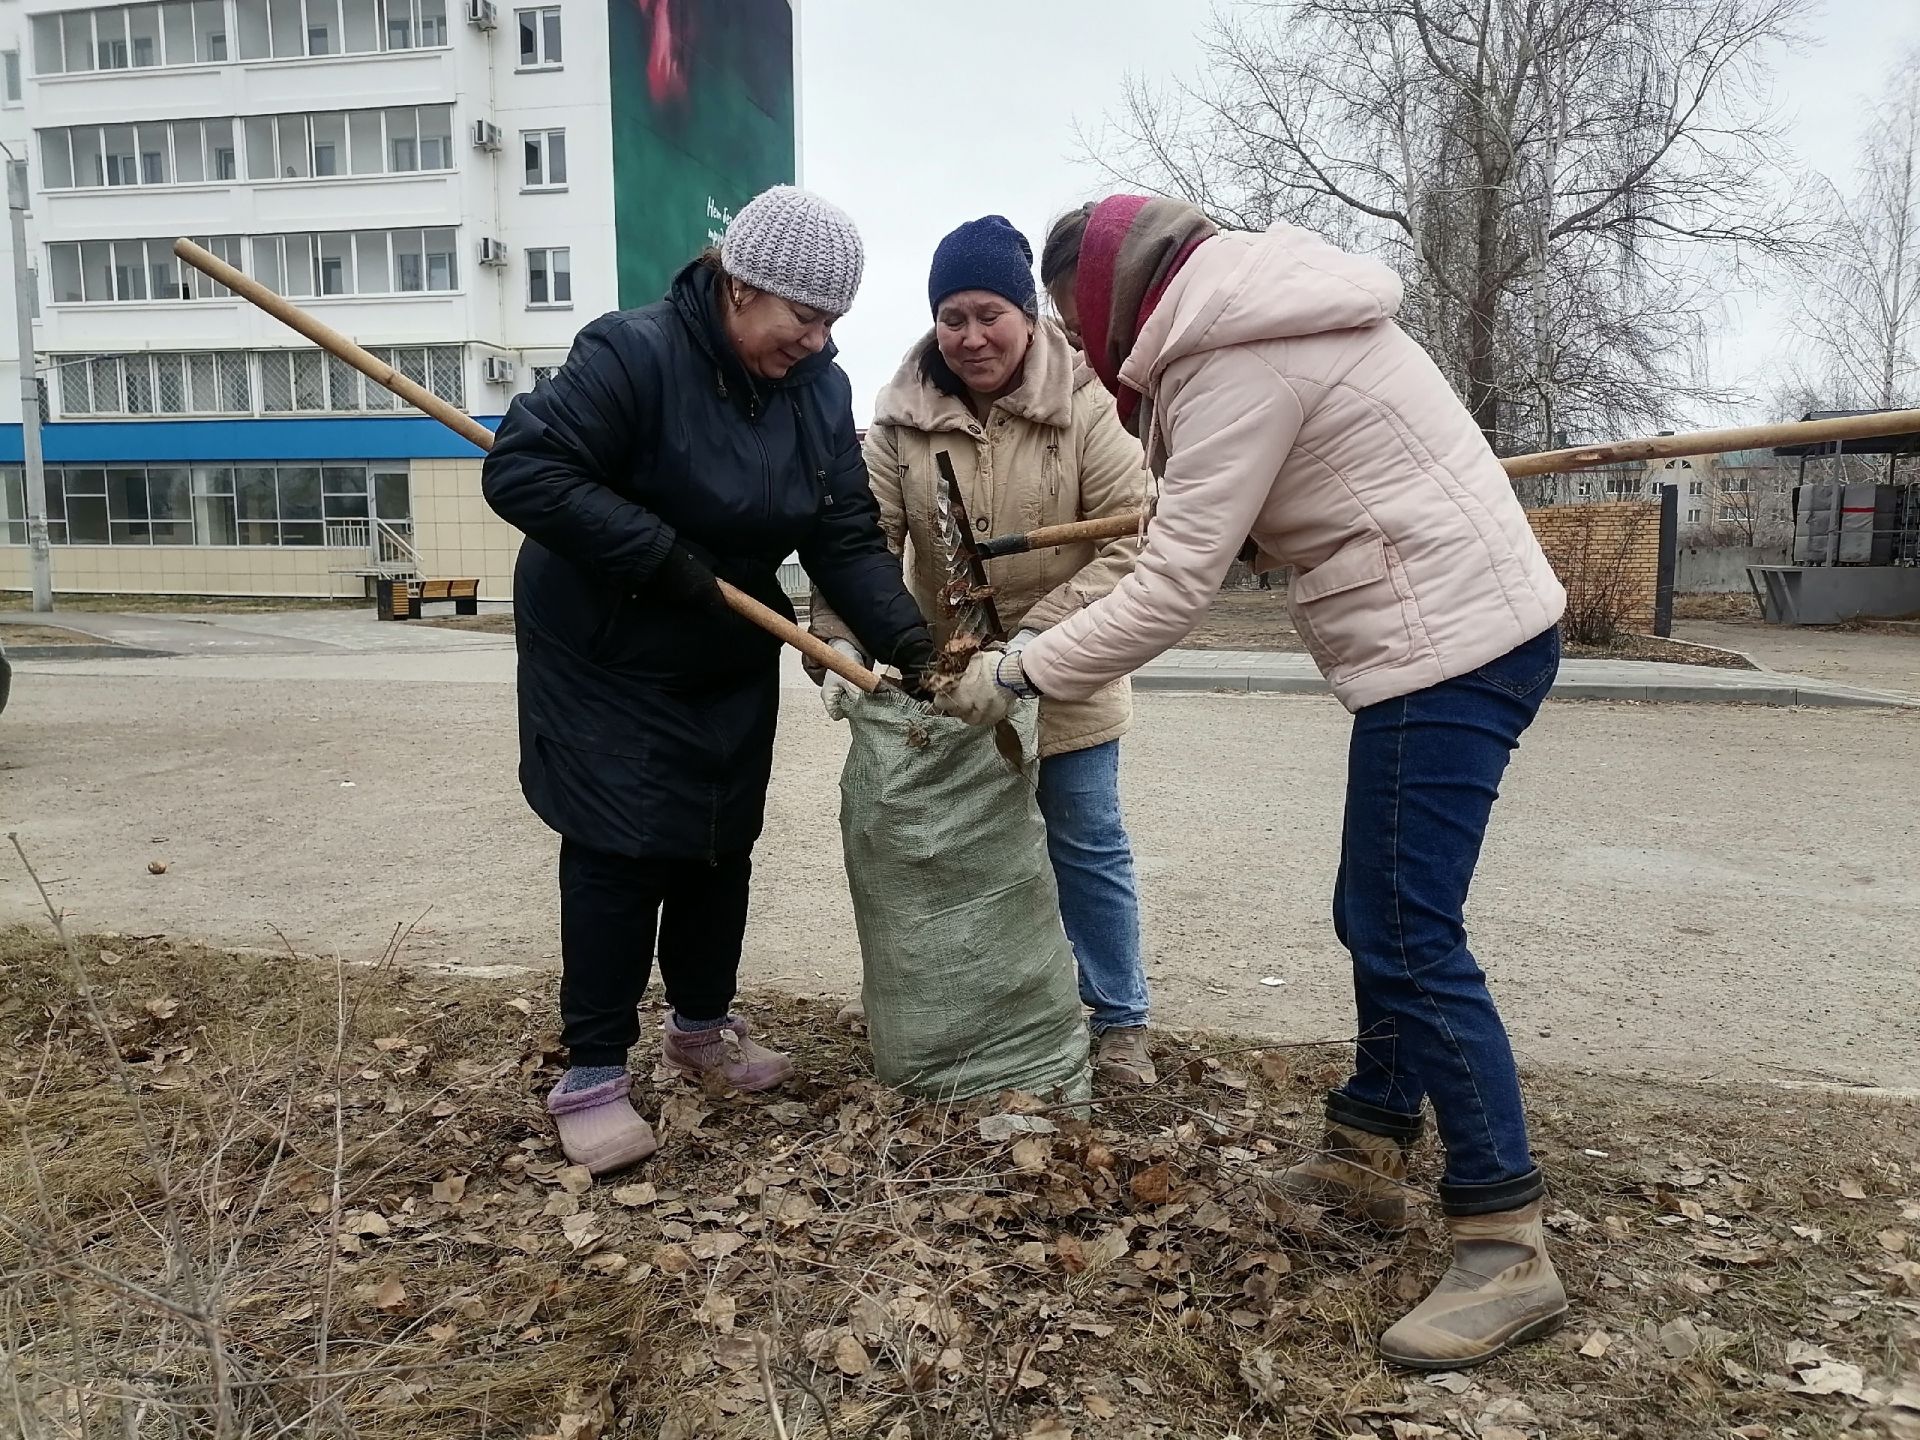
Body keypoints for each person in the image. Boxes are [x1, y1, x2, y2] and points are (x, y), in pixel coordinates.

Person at [936, 196, 1569, 1370]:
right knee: (1377, 910)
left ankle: (1505, 1240)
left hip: (1452, 643)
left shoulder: (1235, 357)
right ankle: (1370, 1142)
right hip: (1455, 629)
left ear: (1104, 303)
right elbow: (1249, 521)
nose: (1092, 360)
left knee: (1403, 926)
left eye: (1077, 331)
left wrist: (1020, 671)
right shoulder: (1249, 320)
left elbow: (1176, 587)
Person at [483, 186, 936, 1177]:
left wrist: (910, 639)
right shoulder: (631, 356)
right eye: (803, 317)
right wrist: (655, 553)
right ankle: (593, 1069)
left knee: (719, 836)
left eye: (833, 323)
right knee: (619, 845)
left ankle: (700, 1031)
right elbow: (523, 471)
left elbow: (841, 532)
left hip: (725, 637)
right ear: (739, 286)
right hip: (606, 641)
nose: (816, 342)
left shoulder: (817, 391)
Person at [809, 215, 1158, 1086]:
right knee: (948, 850)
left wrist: (1041, 644)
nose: (970, 337)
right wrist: (838, 631)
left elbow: (1133, 542)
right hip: (951, 684)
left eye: (989, 313)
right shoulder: (901, 418)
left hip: (1069, 666)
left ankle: (1119, 1019)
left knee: (1084, 840)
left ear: (1030, 313)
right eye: (951, 316)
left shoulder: (1087, 403)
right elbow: (865, 535)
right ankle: (971, 1019)